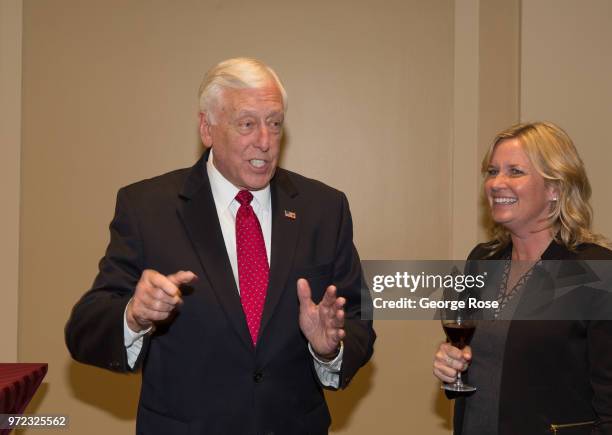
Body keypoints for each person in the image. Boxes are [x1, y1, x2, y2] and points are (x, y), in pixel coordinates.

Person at [65, 57, 375, 435]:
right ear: (207, 128)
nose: (264, 140)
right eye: (247, 124)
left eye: (274, 123)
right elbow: (84, 329)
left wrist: (329, 349)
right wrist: (134, 315)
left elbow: (358, 319)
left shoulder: (324, 209)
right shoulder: (148, 207)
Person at [433, 121, 612, 434]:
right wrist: (452, 368)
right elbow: (475, 365)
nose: (496, 183)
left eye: (515, 171)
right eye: (492, 171)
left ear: (555, 188)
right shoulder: (482, 260)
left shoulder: (595, 270)